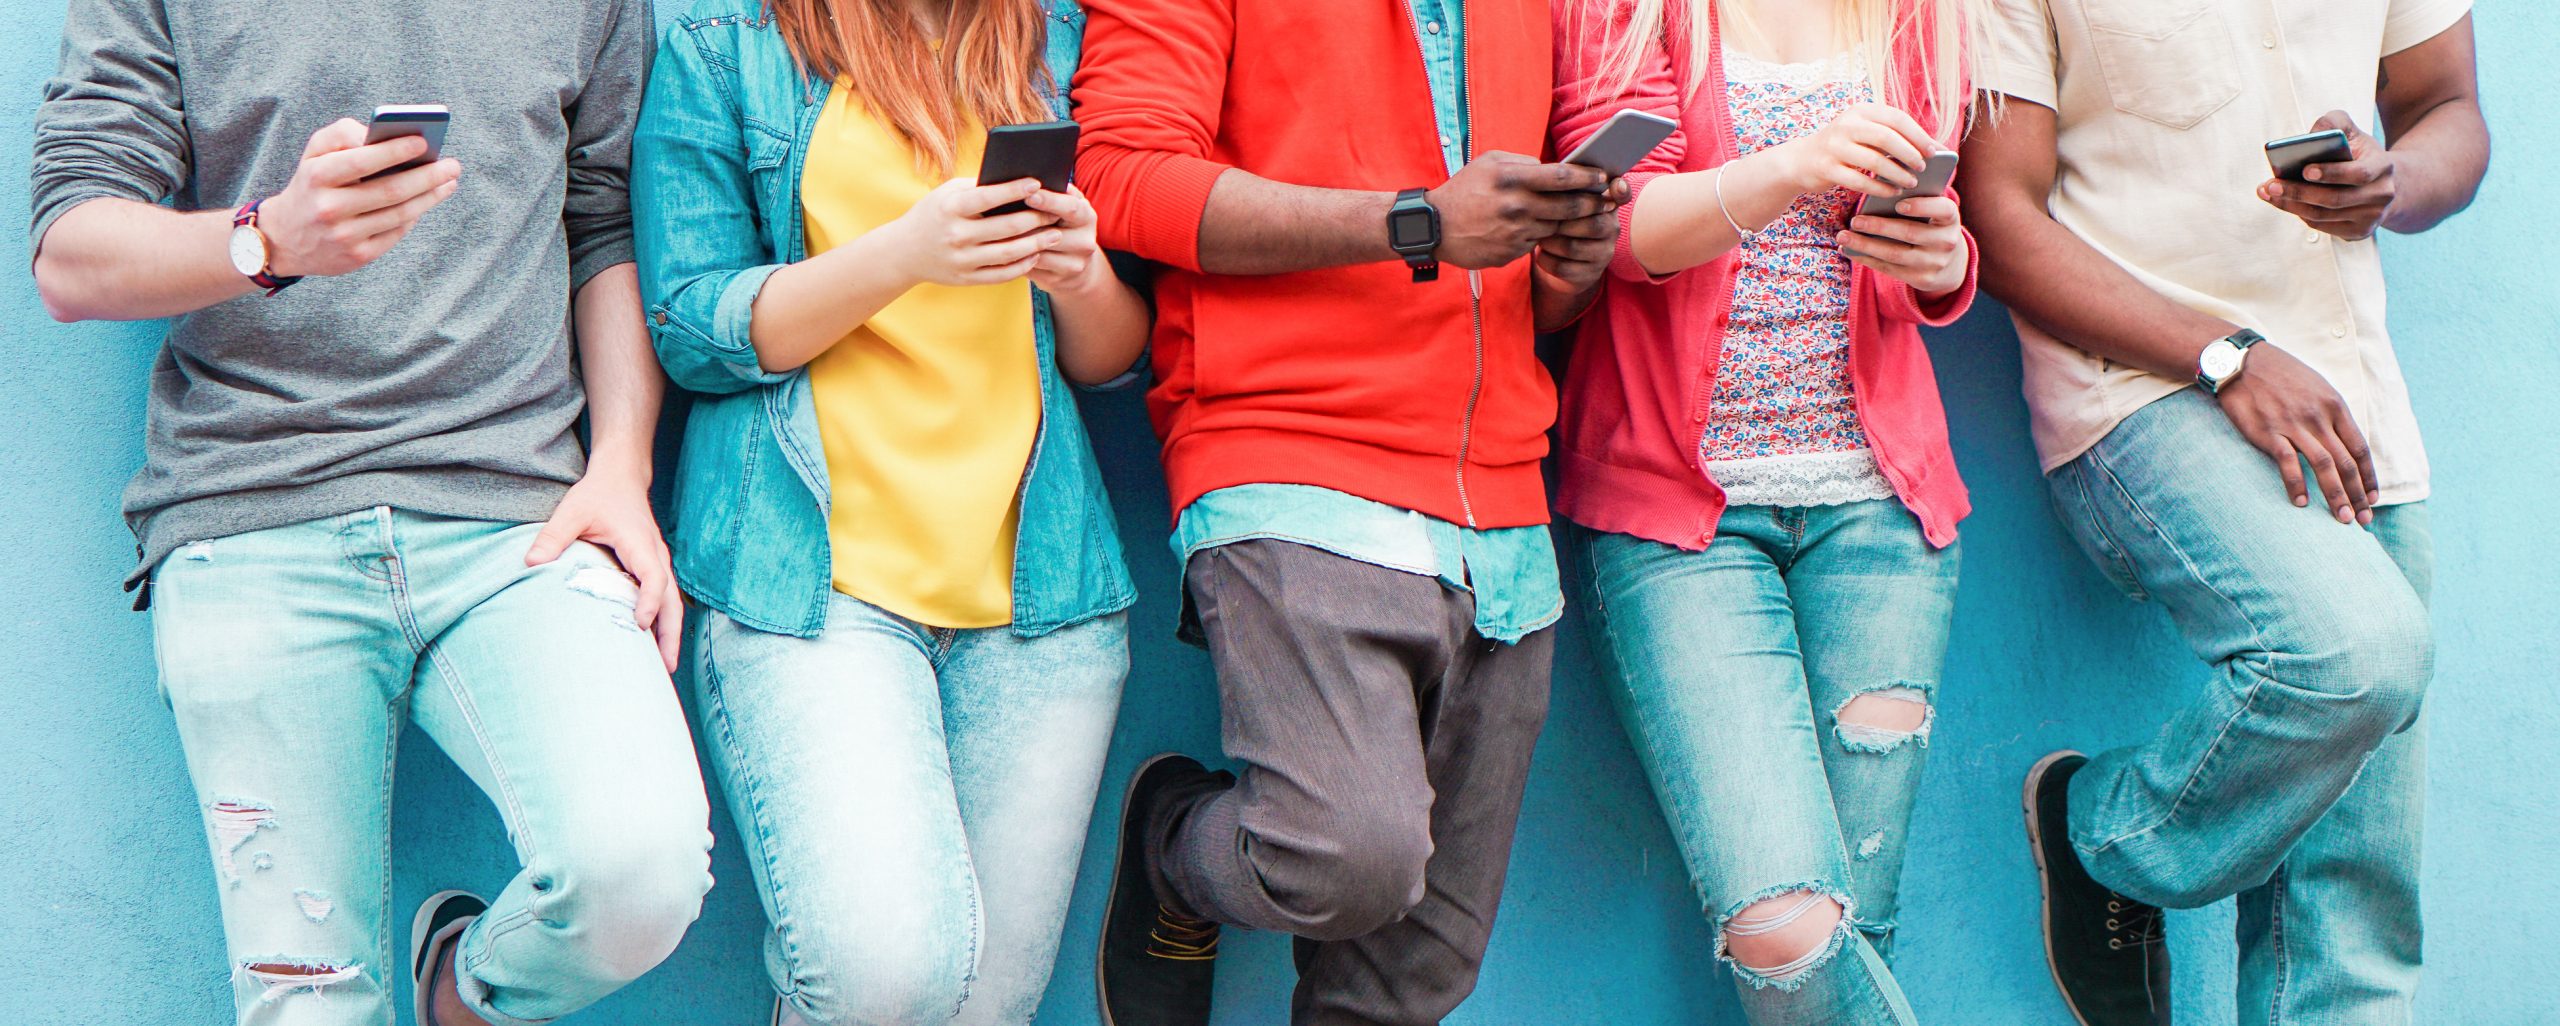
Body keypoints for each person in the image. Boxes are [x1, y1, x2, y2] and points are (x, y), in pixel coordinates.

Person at [28, 0, 715, 1024]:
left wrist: (621, 461)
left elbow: (603, 221)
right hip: (250, 514)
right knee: (308, 1005)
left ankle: (463, 994)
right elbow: (70, 257)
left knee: (640, 875)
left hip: (518, 519)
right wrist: (269, 240)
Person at [1068, 0, 1626, 1023]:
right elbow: (1119, 180)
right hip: (1291, 463)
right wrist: (1411, 222)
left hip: (1500, 507)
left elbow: (1506, 287)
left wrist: (1568, 271)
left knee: (1415, 978)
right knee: (1339, 858)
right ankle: (1175, 846)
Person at [1963, 0, 2487, 1021]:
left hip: (2348, 399)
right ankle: (2108, 841)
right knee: (2356, 654)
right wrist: (2225, 355)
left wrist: (2392, 178)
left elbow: (2447, 107)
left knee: (2356, 918)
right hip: (2142, 390)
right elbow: (2000, 217)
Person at [633, 0, 1147, 1023]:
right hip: (810, 587)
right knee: (879, 978)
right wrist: (904, 253)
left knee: (980, 1013)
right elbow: (690, 328)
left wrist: (1082, 271)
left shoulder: (1061, 40)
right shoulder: (726, 44)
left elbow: (1111, 360)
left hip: (1042, 600)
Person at [1547, 0, 1986, 1021]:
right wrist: (1797, 162)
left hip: (1881, 511)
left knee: (1859, 925)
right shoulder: (1626, 13)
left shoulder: (1917, 15)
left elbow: (1937, 244)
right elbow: (1622, 230)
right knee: (1783, 929)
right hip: (1678, 520)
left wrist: (1943, 260)